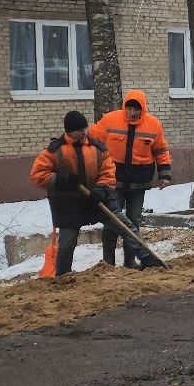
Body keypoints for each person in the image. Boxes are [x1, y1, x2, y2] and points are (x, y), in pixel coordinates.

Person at [90, 89, 173, 268]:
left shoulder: (153, 125)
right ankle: (108, 264)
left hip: (139, 182)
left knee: (133, 222)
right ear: (124, 107)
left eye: (137, 109)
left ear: (142, 109)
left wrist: (165, 174)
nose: (133, 112)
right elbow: (91, 137)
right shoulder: (110, 120)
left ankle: (130, 262)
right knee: (113, 222)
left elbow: (160, 150)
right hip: (114, 181)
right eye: (129, 108)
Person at [29, 110, 117, 275]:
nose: (84, 132)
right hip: (68, 204)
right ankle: (63, 276)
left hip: (94, 200)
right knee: (67, 244)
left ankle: (114, 266)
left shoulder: (97, 147)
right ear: (69, 131)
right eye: (79, 130)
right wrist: (63, 180)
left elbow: (108, 171)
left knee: (120, 225)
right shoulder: (56, 150)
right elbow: (37, 176)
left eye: (85, 128)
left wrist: (102, 189)